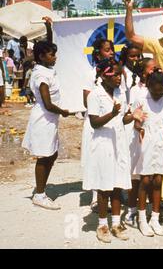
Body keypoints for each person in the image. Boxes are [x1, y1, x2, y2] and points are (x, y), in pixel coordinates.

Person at [83, 59, 145, 243]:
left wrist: (133, 116)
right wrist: (112, 112)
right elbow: (94, 122)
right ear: (103, 76)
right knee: (104, 186)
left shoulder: (119, 93)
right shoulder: (95, 95)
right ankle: (102, 225)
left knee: (117, 184)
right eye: (115, 75)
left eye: (120, 74)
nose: (119, 78)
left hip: (119, 142)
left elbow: (122, 119)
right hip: (103, 144)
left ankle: (116, 223)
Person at [22, 41, 70, 210]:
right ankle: (40, 195)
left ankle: (41, 188)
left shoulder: (44, 69)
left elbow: (46, 45)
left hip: (49, 119)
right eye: (51, 55)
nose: (55, 57)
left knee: (52, 154)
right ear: (42, 57)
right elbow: (48, 103)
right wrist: (63, 111)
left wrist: (49, 27)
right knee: (44, 157)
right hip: (44, 118)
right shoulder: (41, 76)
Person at [133, 70, 163, 237]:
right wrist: (139, 127)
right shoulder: (141, 98)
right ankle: (142, 218)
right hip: (145, 141)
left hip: (162, 141)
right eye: (154, 90)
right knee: (145, 180)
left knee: (158, 179)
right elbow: (136, 120)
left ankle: (155, 218)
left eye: (161, 90)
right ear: (148, 86)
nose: (158, 94)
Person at [80, 38, 116, 212]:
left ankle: (114, 192)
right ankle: (96, 196)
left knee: (113, 156)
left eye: (112, 50)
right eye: (107, 50)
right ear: (98, 53)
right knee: (97, 158)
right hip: (97, 121)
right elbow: (87, 102)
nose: (111, 53)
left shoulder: (117, 72)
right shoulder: (91, 73)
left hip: (113, 121)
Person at [124, 57, 156, 228]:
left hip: (152, 135)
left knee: (150, 175)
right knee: (136, 176)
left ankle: (148, 210)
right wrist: (138, 127)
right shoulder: (135, 91)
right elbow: (133, 112)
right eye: (153, 68)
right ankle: (131, 211)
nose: (156, 70)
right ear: (144, 72)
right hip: (137, 135)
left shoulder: (157, 88)